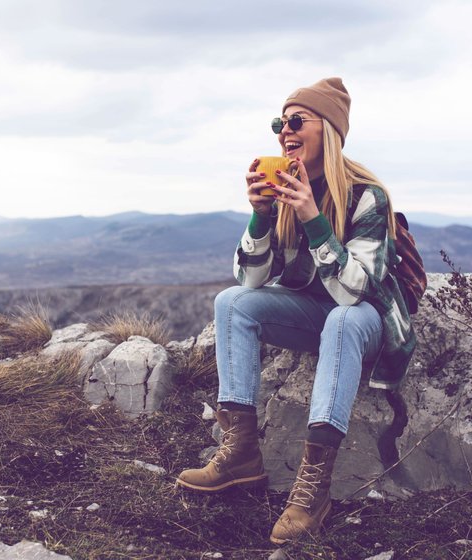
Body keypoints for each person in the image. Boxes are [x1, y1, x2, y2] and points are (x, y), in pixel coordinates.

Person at [175, 77, 416, 545]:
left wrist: (313, 218)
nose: (285, 131)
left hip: (364, 319)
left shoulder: (368, 196)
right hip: (313, 314)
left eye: (296, 121)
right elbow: (249, 281)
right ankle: (241, 452)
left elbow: (354, 293)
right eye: (279, 123)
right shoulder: (286, 189)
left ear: (329, 129)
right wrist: (261, 214)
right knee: (231, 303)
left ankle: (312, 490)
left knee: (343, 320)